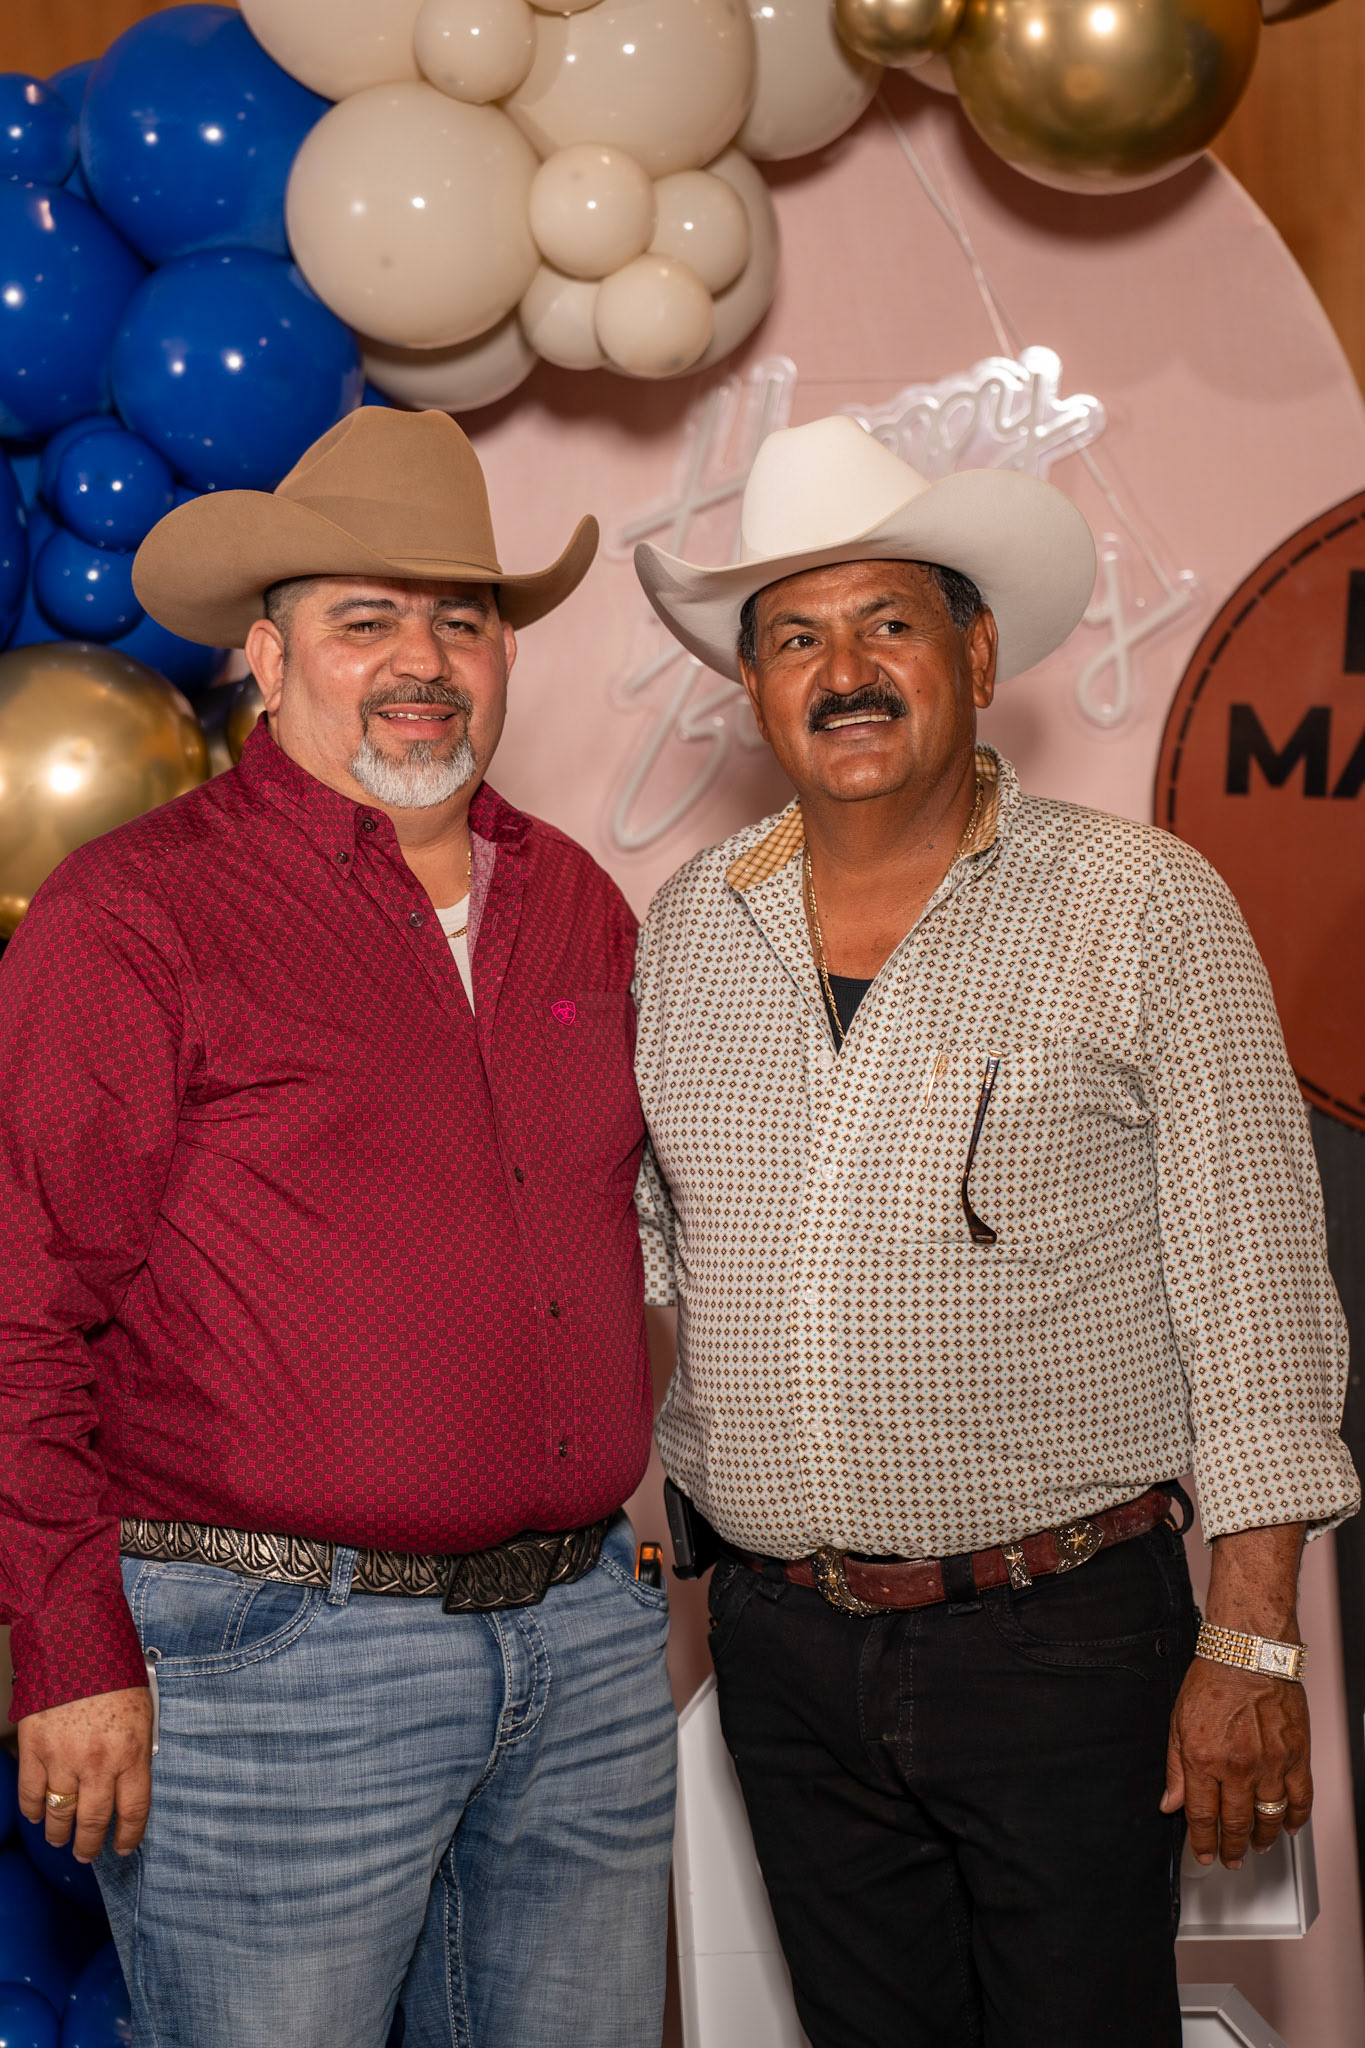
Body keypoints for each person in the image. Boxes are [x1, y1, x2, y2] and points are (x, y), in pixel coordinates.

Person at [630, 415, 1358, 2048]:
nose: (843, 673)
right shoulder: (687, 931)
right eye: (795, 640)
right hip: (778, 1648)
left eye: (886, 623)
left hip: (1062, 1645)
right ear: (750, 688)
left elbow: (1254, 1285)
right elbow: (655, 1254)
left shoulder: (1139, 901)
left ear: (971, 653)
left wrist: (1250, 1638)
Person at [0, 407, 675, 2048]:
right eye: (364, 620)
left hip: (585, 1646)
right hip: (273, 1666)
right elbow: (20, 1304)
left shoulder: (580, 903)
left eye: (463, 620)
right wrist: (69, 1646)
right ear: (264, 654)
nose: (421, 661)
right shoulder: (138, 914)